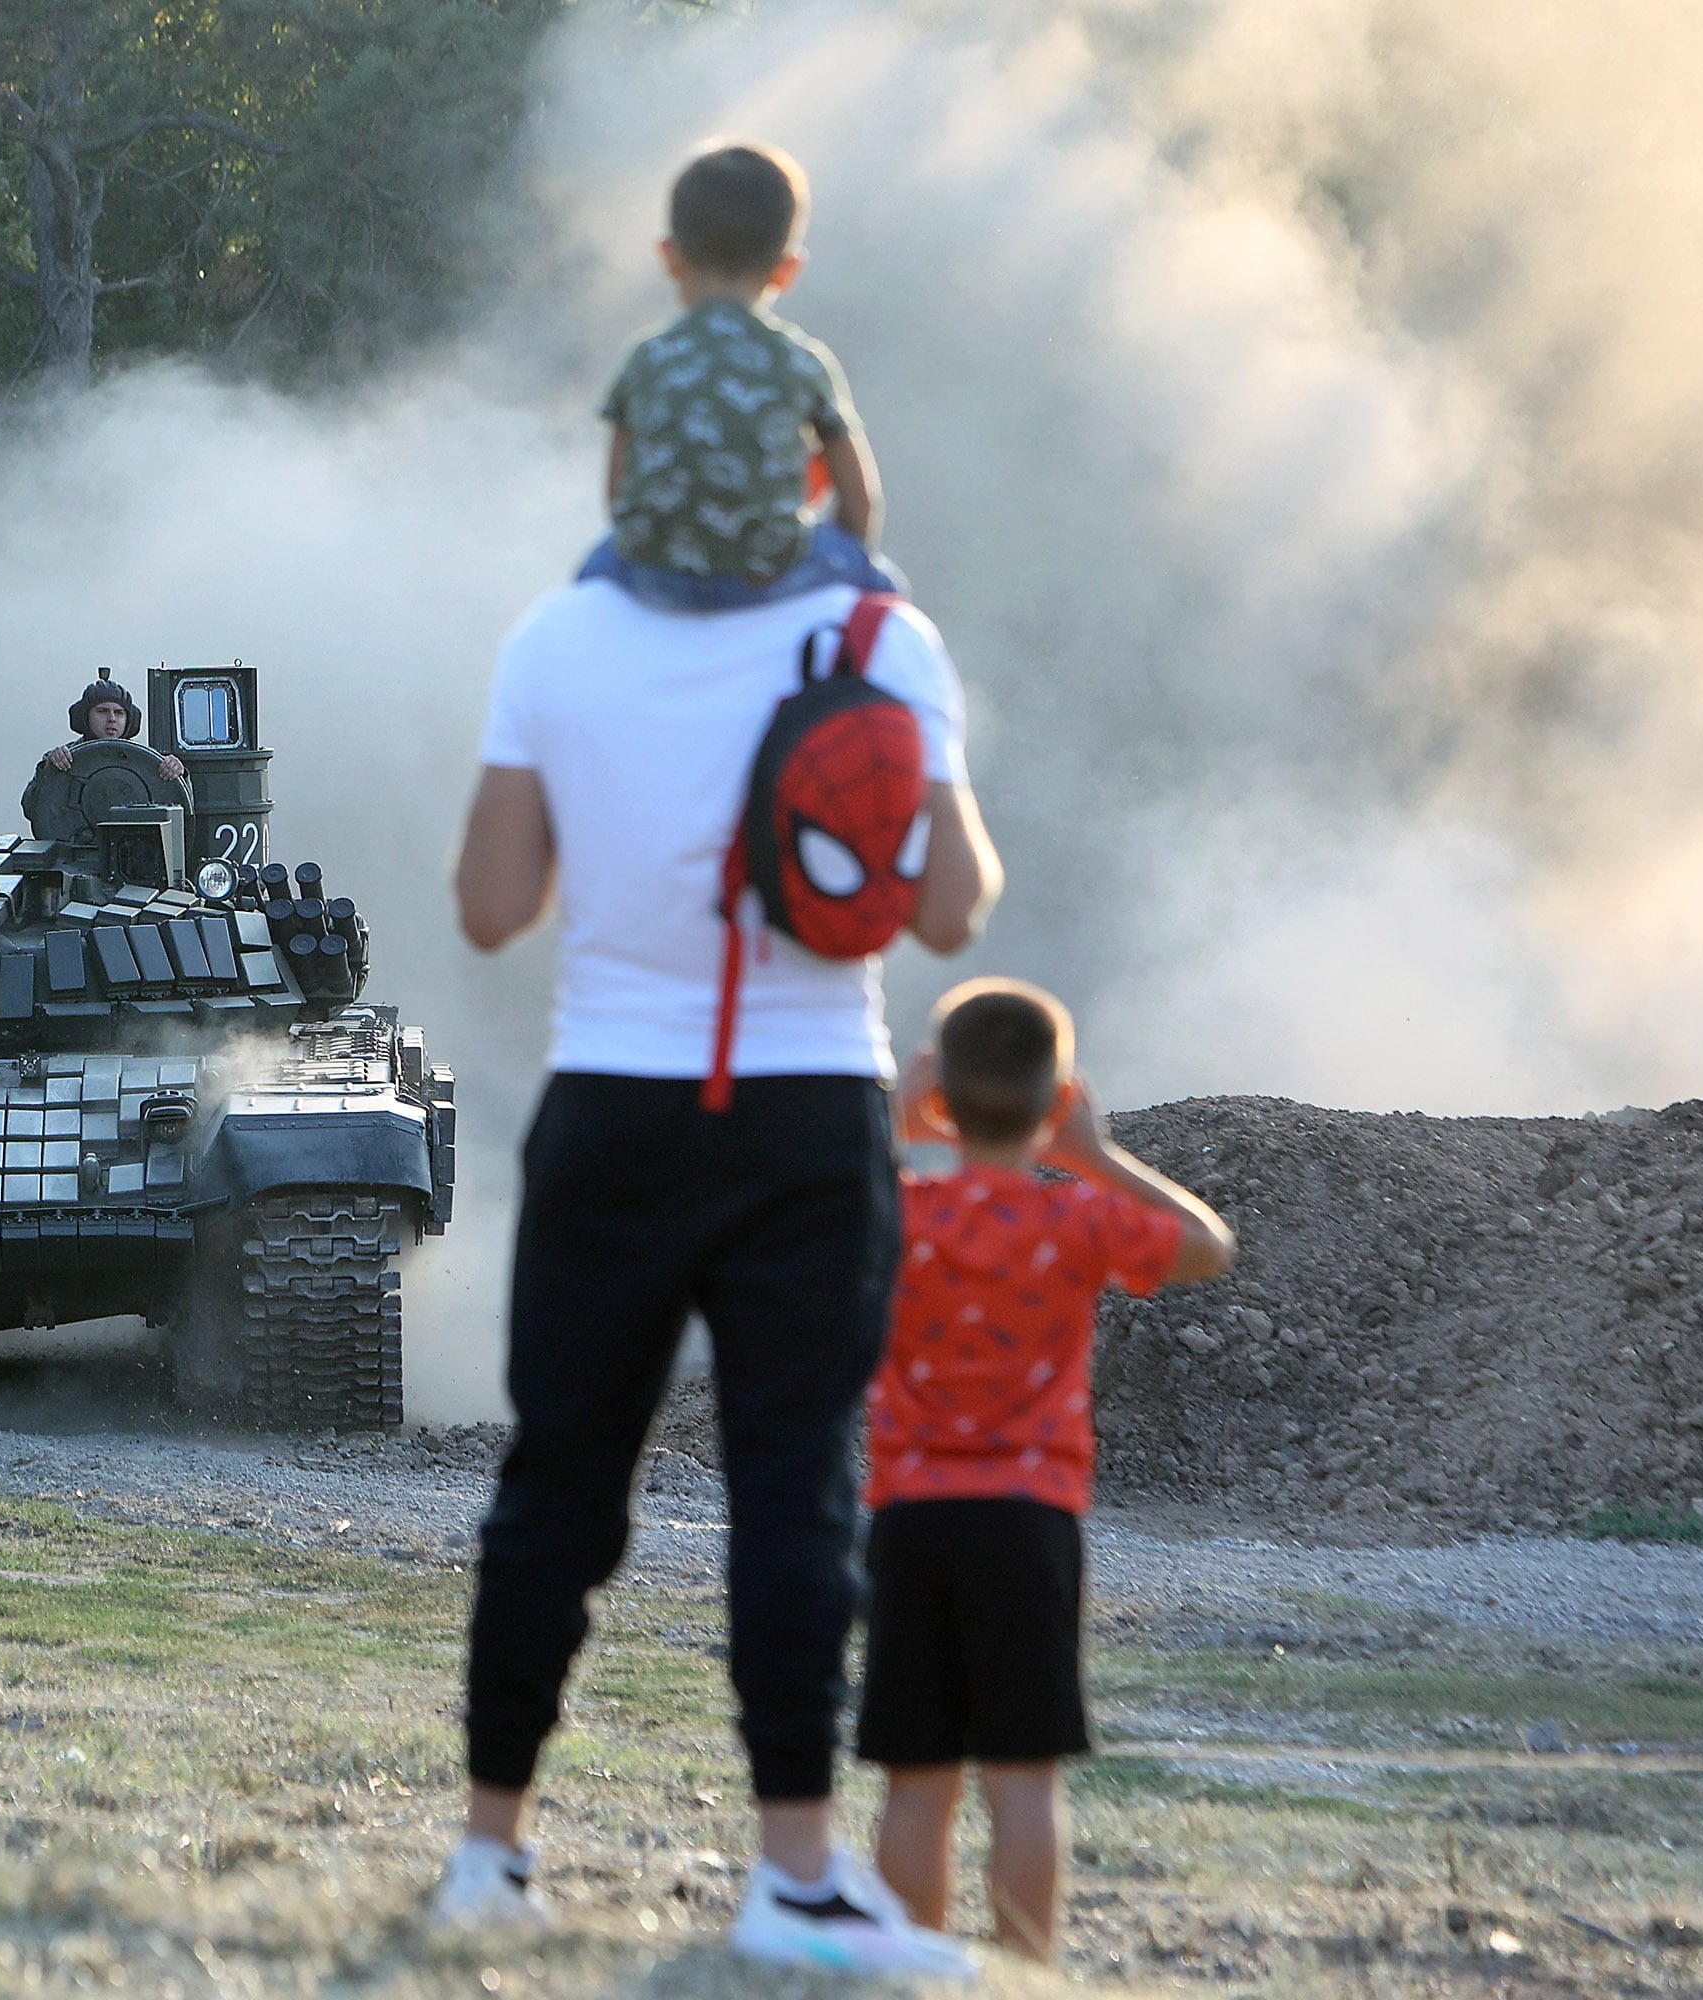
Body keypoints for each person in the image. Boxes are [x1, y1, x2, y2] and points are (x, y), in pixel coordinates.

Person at [439, 560, 1002, 1974]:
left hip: (616, 1099)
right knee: (796, 1485)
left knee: (558, 1476)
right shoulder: (886, 638)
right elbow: (951, 912)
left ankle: (489, 1851)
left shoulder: (559, 634)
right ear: (813, 471)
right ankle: (795, 1877)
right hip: (808, 1109)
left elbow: (493, 906)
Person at [860, 980, 1235, 1965]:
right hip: (1030, 1522)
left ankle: (912, 1968)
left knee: (917, 1780)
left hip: (912, 1521)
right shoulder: (1077, 1221)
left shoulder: (895, 1214)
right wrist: (1096, 1155)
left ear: (940, 1095)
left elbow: (805, 1207)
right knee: (1024, 1779)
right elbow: (1210, 1245)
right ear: (1057, 1095)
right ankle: (1025, 1970)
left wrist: (899, 1127)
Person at [584, 142, 898, 613]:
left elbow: (617, 495)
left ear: (669, 256)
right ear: (787, 270)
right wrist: (839, 566)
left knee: (592, 569)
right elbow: (860, 505)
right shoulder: (803, 362)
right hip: (768, 579)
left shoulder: (646, 357)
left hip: (656, 577)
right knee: (884, 587)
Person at [41, 677, 184, 780]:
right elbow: (32, 806)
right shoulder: (66, 759)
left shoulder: (147, 762)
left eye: (119, 713)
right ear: (85, 716)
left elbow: (180, 806)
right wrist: (48, 769)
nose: (112, 719)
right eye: (102, 711)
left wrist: (176, 771)